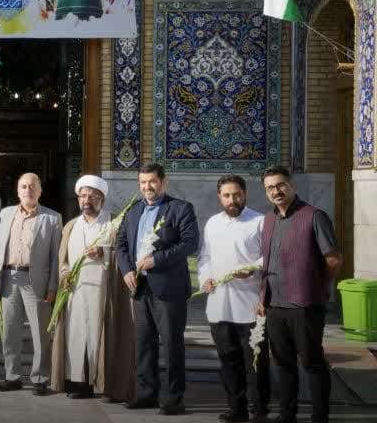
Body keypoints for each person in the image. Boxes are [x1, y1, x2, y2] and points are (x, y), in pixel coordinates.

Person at [258, 165, 342, 423]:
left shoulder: (314, 216)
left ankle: (320, 416)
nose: (276, 191)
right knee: (283, 364)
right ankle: (287, 414)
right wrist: (262, 298)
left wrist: (316, 285)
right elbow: (267, 262)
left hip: (305, 305)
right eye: (270, 188)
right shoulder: (268, 220)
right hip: (274, 305)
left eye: (280, 185)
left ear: (291, 185)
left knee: (312, 362)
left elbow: (333, 259)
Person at [115, 163, 198, 415]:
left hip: (169, 289)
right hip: (140, 288)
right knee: (143, 343)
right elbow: (121, 243)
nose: (147, 187)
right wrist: (126, 270)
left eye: (152, 181)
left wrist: (156, 260)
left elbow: (190, 243)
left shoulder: (180, 208)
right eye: (142, 182)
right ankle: (146, 393)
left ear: (164, 182)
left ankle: (173, 398)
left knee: (172, 344)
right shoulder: (133, 211)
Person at [50, 175, 136, 403]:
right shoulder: (71, 226)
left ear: (102, 199)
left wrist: (104, 253)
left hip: (103, 292)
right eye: (83, 196)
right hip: (75, 293)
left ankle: (104, 384)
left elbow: (125, 254)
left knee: (101, 336)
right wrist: (64, 275)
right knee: (76, 336)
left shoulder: (113, 224)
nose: (87, 200)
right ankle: (79, 383)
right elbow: (63, 259)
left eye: (93, 196)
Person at [198, 175, 269, 423]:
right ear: (219, 197)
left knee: (255, 360)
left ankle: (259, 409)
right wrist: (205, 279)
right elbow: (205, 257)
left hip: (250, 303)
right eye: (227, 195)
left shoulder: (259, 221)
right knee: (228, 359)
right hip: (219, 303)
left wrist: (252, 268)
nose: (232, 200)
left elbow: (269, 257)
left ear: (245, 194)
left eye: (236, 194)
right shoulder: (212, 223)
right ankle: (236, 408)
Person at [0, 173, 61, 395]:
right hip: (8, 278)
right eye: (23, 186)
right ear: (17, 190)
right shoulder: (5, 214)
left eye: (32, 186)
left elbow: (56, 257)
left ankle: (40, 378)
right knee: (10, 331)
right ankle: (12, 376)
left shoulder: (52, 218)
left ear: (40, 191)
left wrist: (53, 286)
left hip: (36, 281)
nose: (28, 190)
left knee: (40, 332)